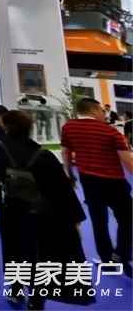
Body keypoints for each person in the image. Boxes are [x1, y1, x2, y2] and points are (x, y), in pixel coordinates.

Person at [0, 110, 91, 308]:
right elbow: (62, 191)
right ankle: (37, 301)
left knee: (13, 249)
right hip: (39, 213)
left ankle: (15, 289)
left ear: (5, 126)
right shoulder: (43, 155)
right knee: (39, 255)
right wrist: (74, 220)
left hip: (10, 210)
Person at [60, 97, 133, 275]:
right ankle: (121, 255)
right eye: (102, 111)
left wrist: (69, 174)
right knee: (127, 219)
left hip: (89, 181)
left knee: (99, 222)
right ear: (93, 110)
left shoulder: (68, 127)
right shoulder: (110, 131)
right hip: (114, 182)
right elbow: (128, 162)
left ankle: (106, 260)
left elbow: (66, 153)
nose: (104, 114)